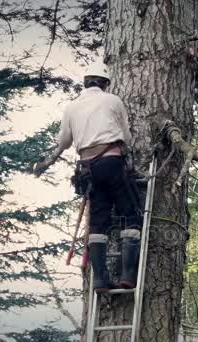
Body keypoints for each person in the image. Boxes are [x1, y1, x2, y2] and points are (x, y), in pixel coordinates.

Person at [33, 62, 142, 293]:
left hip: (88, 170)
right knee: (131, 216)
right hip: (113, 162)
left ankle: (101, 279)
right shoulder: (113, 100)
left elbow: (63, 142)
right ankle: (128, 276)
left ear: (85, 83)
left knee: (98, 223)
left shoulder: (71, 107)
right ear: (105, 84)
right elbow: (127, 136)